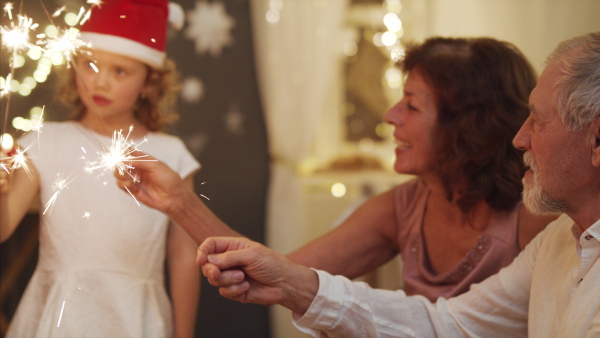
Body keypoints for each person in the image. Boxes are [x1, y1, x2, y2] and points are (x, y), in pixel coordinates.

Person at [198, 31, 600, 337]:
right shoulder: (560, 242)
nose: (520, 138)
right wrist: (291, 282)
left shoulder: (539, 221)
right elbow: (448, 323)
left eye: (411, 104)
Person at [116, 36, 556, 302]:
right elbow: (277, 272)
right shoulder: (402, 207)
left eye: (412, 105)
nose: (390, 115)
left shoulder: (537, 218)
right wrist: (178, 201)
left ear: (466, 125)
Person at [0, 0, 236, 336]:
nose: (101, 83)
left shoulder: (171, 155)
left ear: (149, 82)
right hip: (58, 317)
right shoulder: (44, 141)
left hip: (136, 317)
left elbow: (184, 258)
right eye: (90, 65)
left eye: (120, 71)